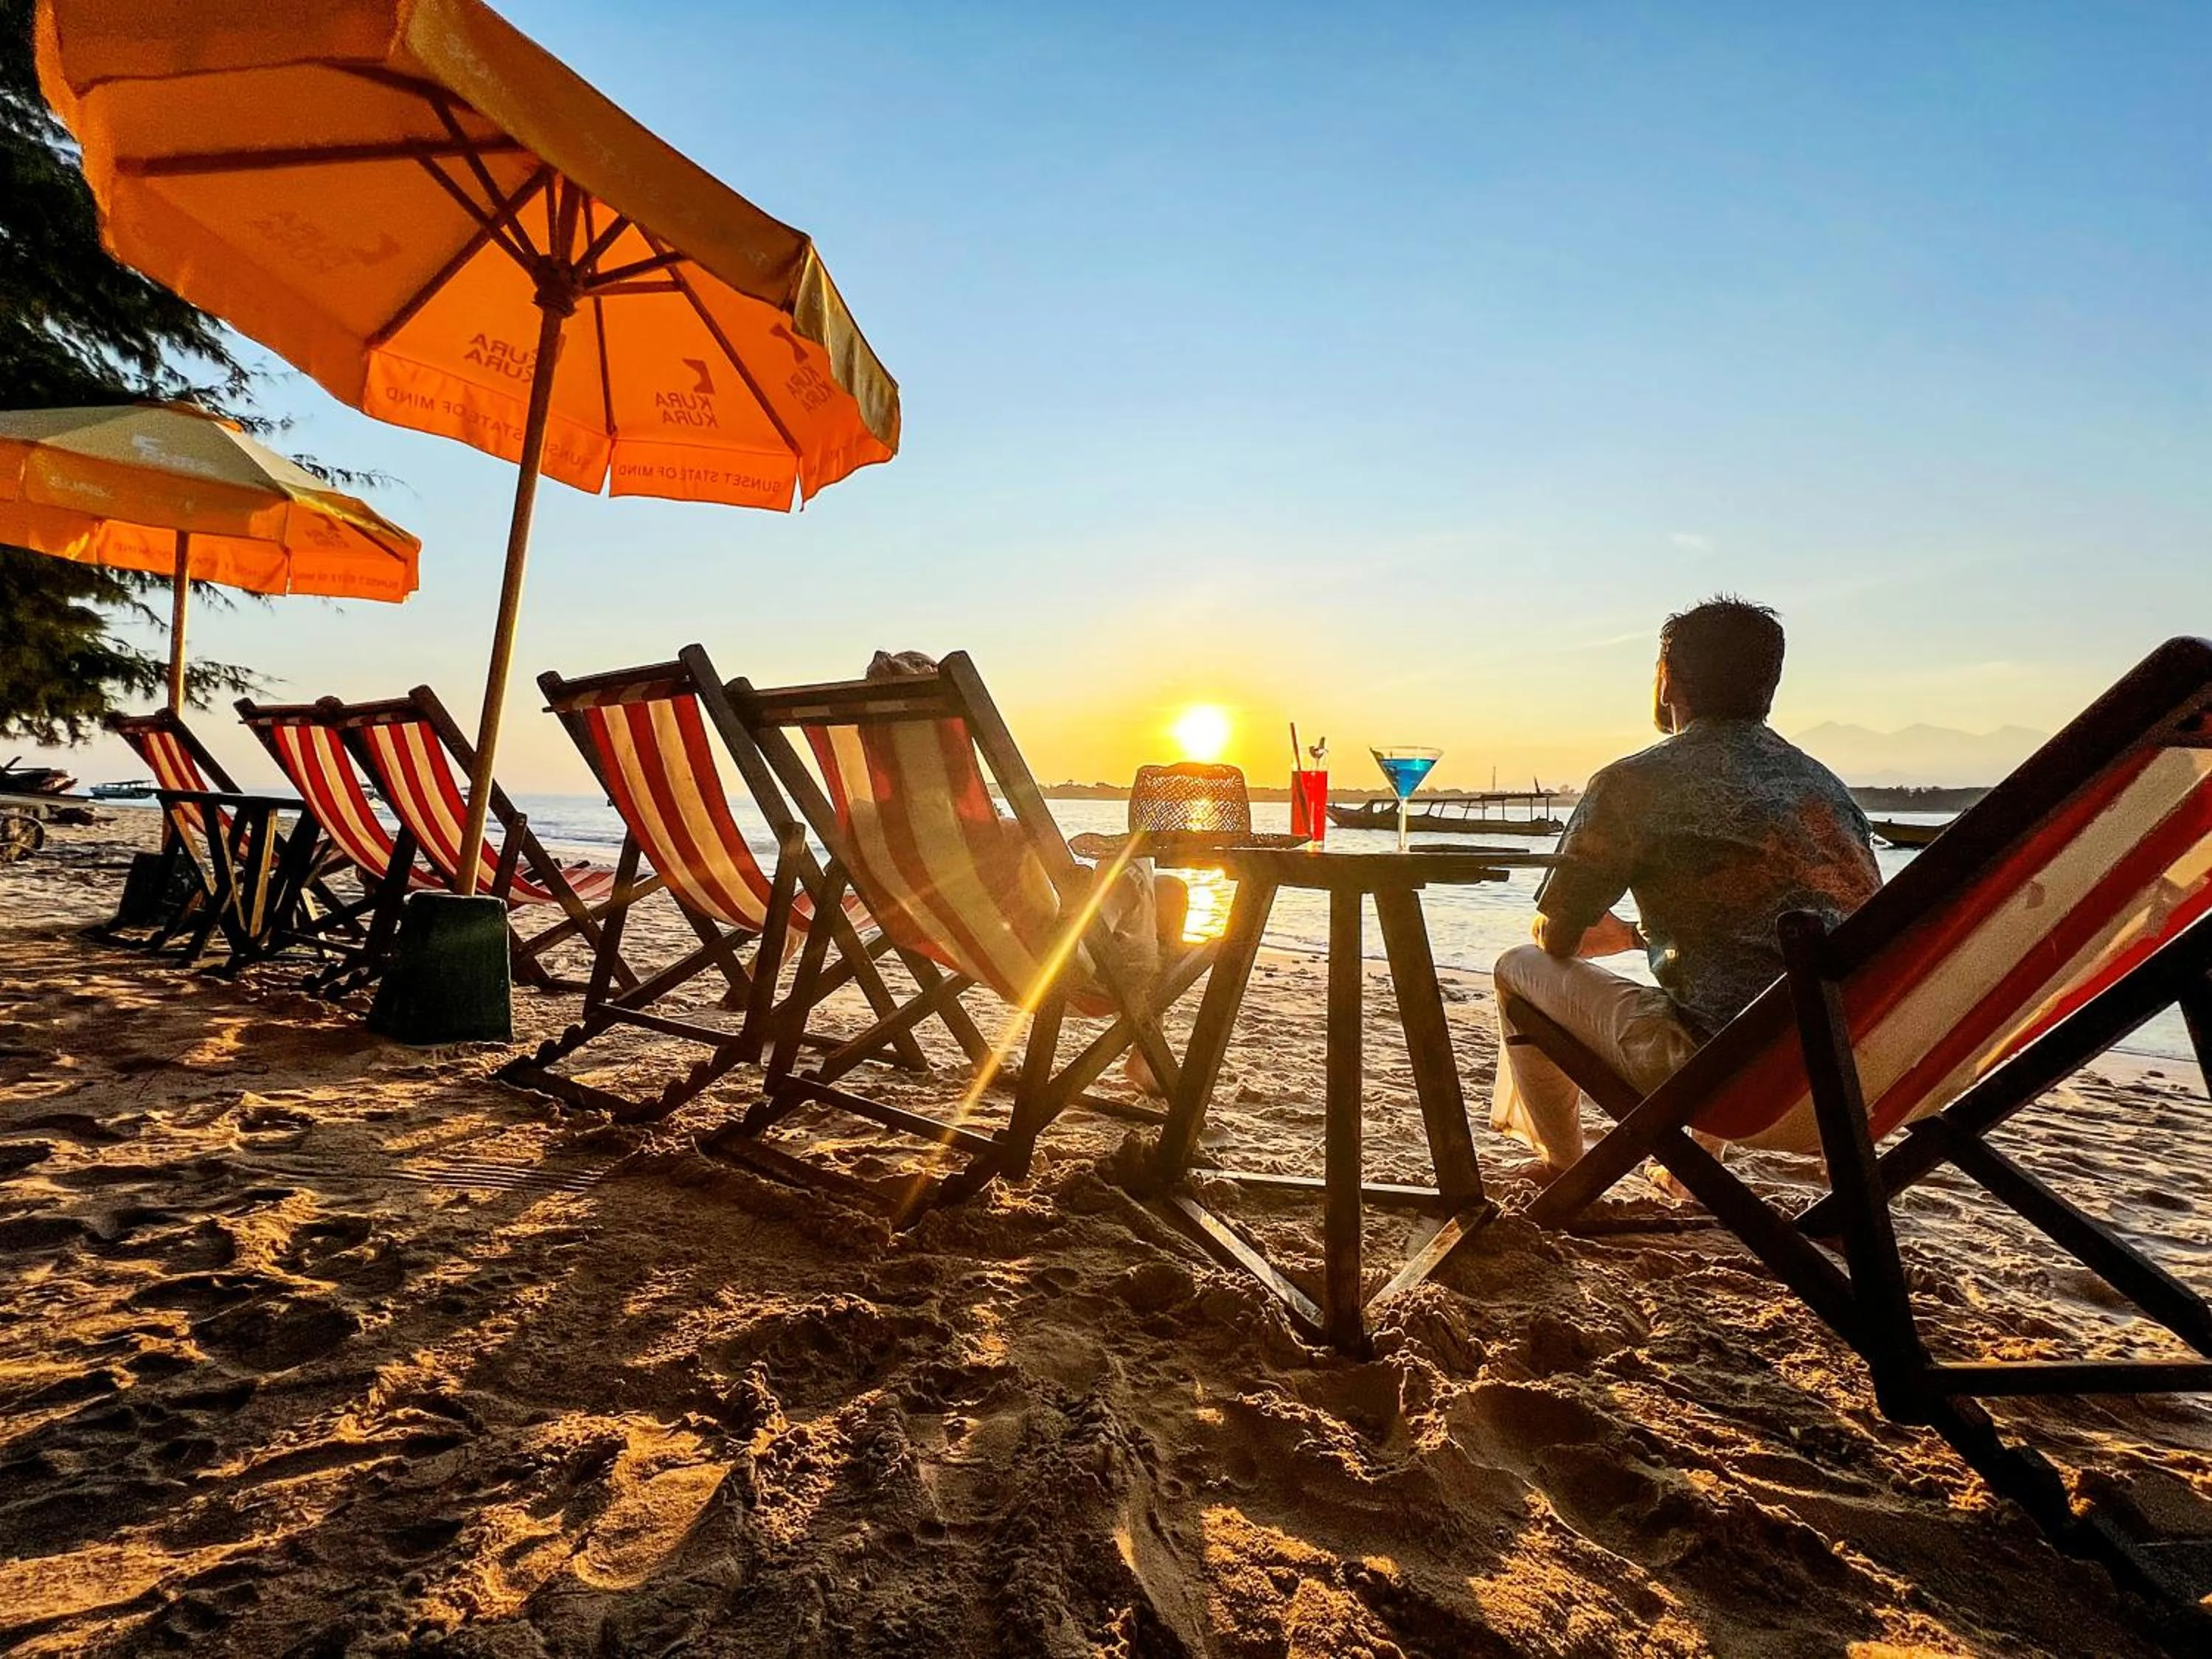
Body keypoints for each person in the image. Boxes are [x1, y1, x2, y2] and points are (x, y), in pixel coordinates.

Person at [1491, 597, 1881, 1178]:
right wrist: (1643, 934)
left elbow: (1557, 936)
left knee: (1517, 968)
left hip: (1739, 1090)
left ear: (1669, 679)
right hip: (1866, 1083)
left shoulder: (1632, 783)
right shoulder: (1822, 787)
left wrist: (1601, 933)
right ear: (1767, 685)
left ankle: (1562, 1166)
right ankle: (1690, 1163)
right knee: (1740, 992)